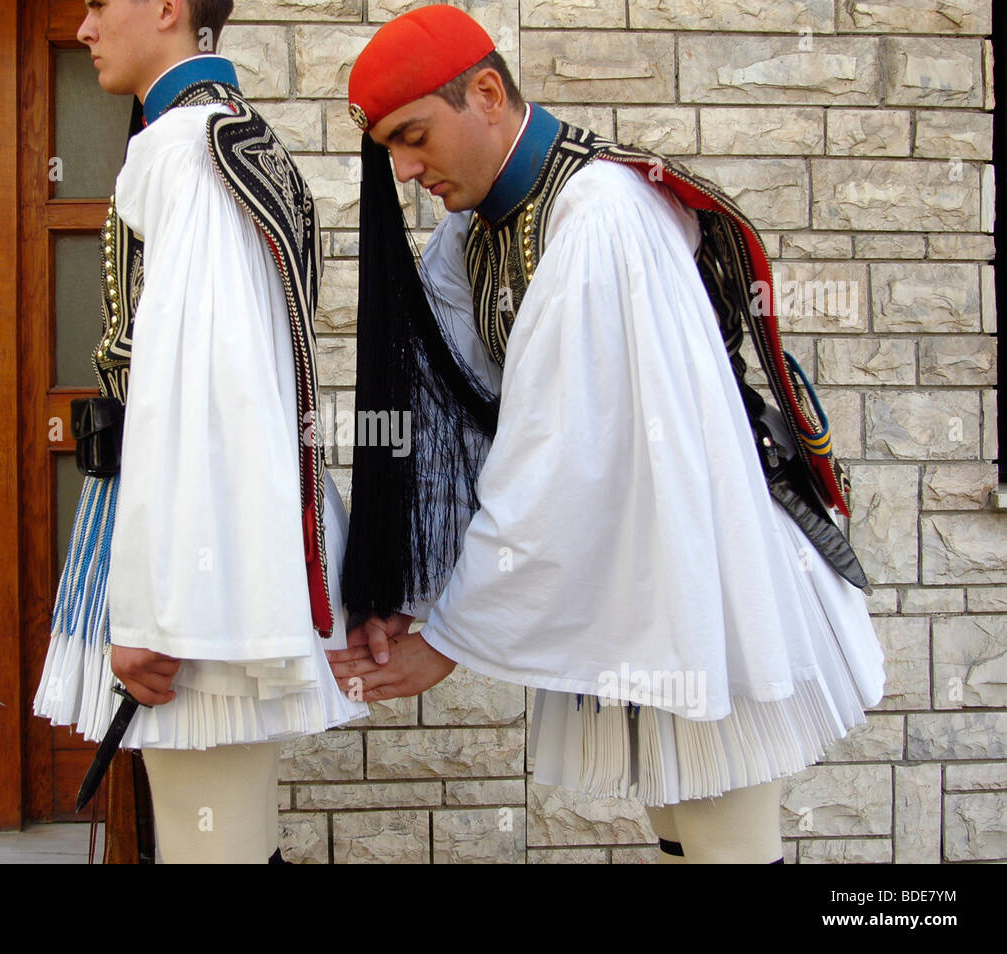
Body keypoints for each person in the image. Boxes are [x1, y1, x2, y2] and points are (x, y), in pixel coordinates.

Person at [328, 5, 885, 864]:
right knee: (683, 831)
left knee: (723, 833)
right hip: (641, 573)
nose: (404, 169)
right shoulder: (475, 234)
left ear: (484, 92)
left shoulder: (599, 216)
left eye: (413, 136)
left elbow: (559, 454)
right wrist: (407, 585)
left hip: (700, 575)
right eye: (391, 148)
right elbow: (449, 418)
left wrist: (446, 640)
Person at [32, 0, 365, 864]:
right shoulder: (234, 139)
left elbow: (204, 390)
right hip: (213, 530)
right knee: (226, 833)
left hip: (193, 543)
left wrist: (159, 605)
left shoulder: (186, 147)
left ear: (169, 7)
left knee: (207, 844)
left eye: (101, 3)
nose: (86, 27)